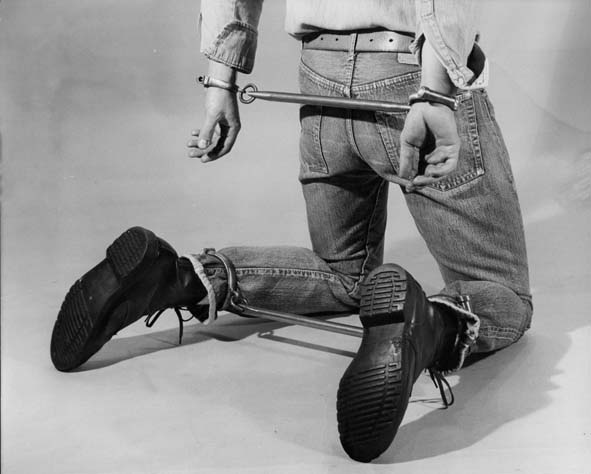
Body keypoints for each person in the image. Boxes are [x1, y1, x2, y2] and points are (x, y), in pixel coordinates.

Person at [50, 0, 533, 463]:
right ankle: (428, 325)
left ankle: (180, 277)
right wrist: (436, 93)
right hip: (407, 73)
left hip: (319, 77)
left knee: (345, 276)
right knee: (504, 294)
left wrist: (220, 82)